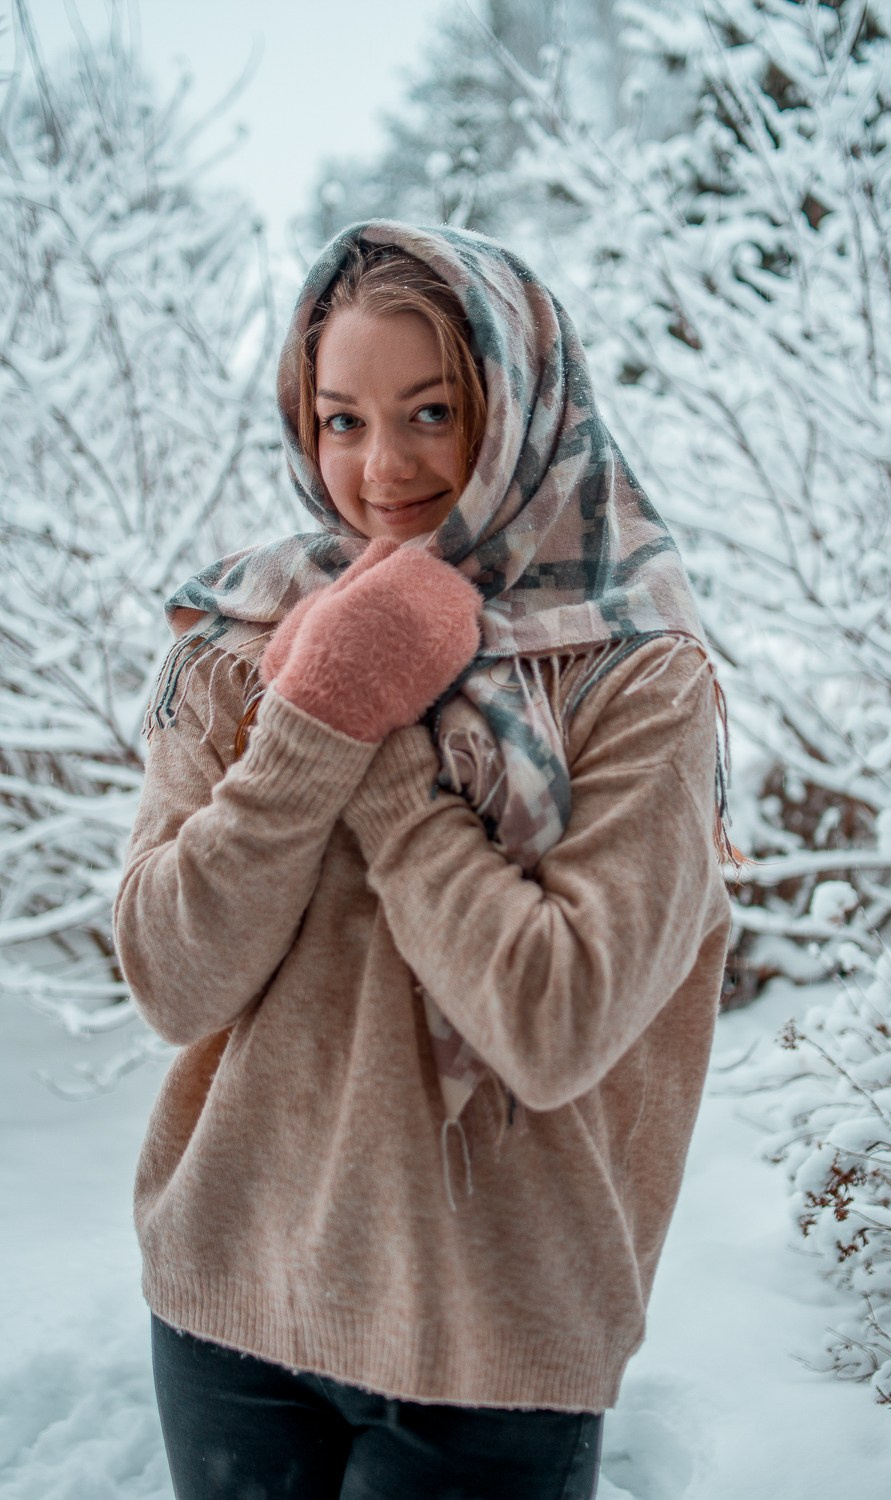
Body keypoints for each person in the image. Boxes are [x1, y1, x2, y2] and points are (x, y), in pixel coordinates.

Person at [114, 220, 733, 1500]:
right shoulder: (247, 641)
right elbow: (175, 977)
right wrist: (312, 716)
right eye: (340, 420)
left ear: (517, 407)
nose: (380, 469)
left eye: (432, 411)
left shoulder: (635, 676)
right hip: (226, 1305)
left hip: (491, 1347)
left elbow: (554, 1020)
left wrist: (383, 755)